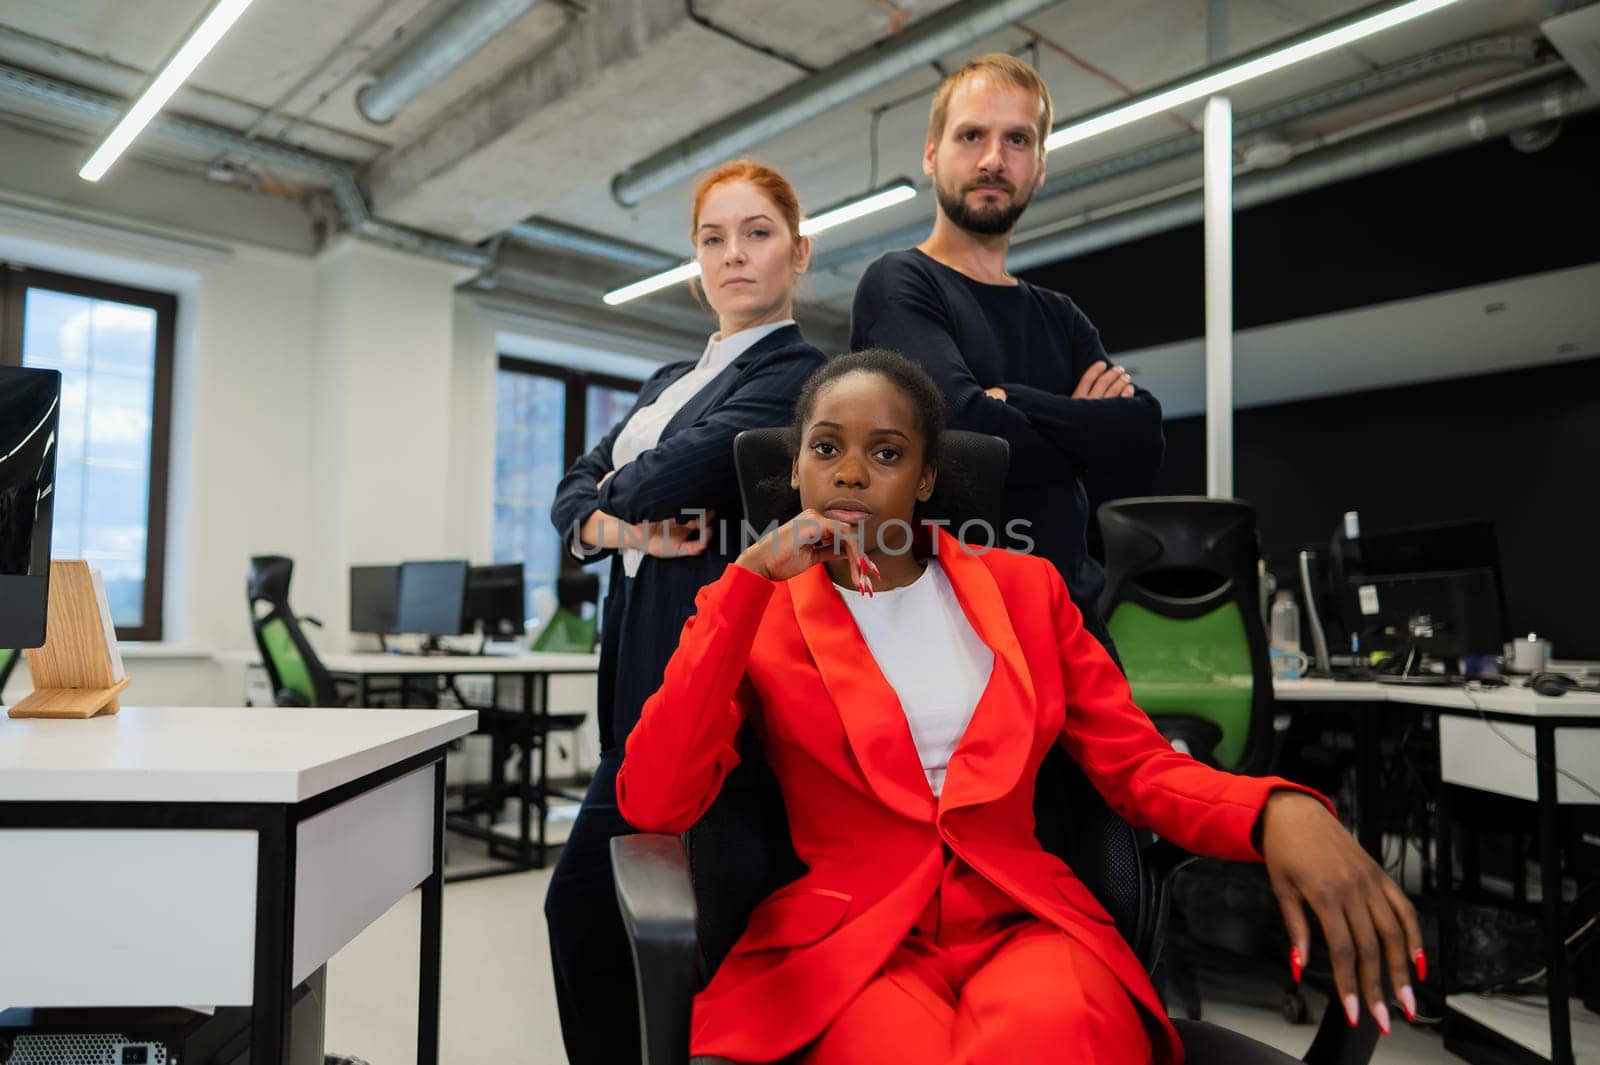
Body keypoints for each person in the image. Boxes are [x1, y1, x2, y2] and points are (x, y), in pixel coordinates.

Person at [617, 350, 1423, 1065]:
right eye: (826, 448)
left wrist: (1278, 809)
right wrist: (751, 579)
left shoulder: (1026, 590)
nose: (852, 473)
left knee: (1061, 1035)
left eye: (886, 452)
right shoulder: (753, 611)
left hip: (1025, 922)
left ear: (926, 478)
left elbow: (1136, 765)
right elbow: (654, 799)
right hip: (851, 944)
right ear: (795, 468)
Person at [545, 160, 826, 1065]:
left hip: (705, 686)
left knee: (601, 906)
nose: (733, 256)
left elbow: (670, 474)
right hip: (633, 675)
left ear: (799, 250)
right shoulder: (671, 373)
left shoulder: (800, 373)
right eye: (713, 238)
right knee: (619, 912)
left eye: (757, 233)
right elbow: (571, 487)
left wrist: (604, 506)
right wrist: (603, 519)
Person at [850, 54, 1163, 645]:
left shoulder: (1060, 315)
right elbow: (963, 439)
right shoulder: (899, 282)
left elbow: (1143, 442)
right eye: (971, 135)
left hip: (1072, 627)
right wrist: (1082, 430)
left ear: (1040, 167)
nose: (993, 159)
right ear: (930, 153)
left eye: (1017, 139)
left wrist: (1008, 401)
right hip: (947, 634)